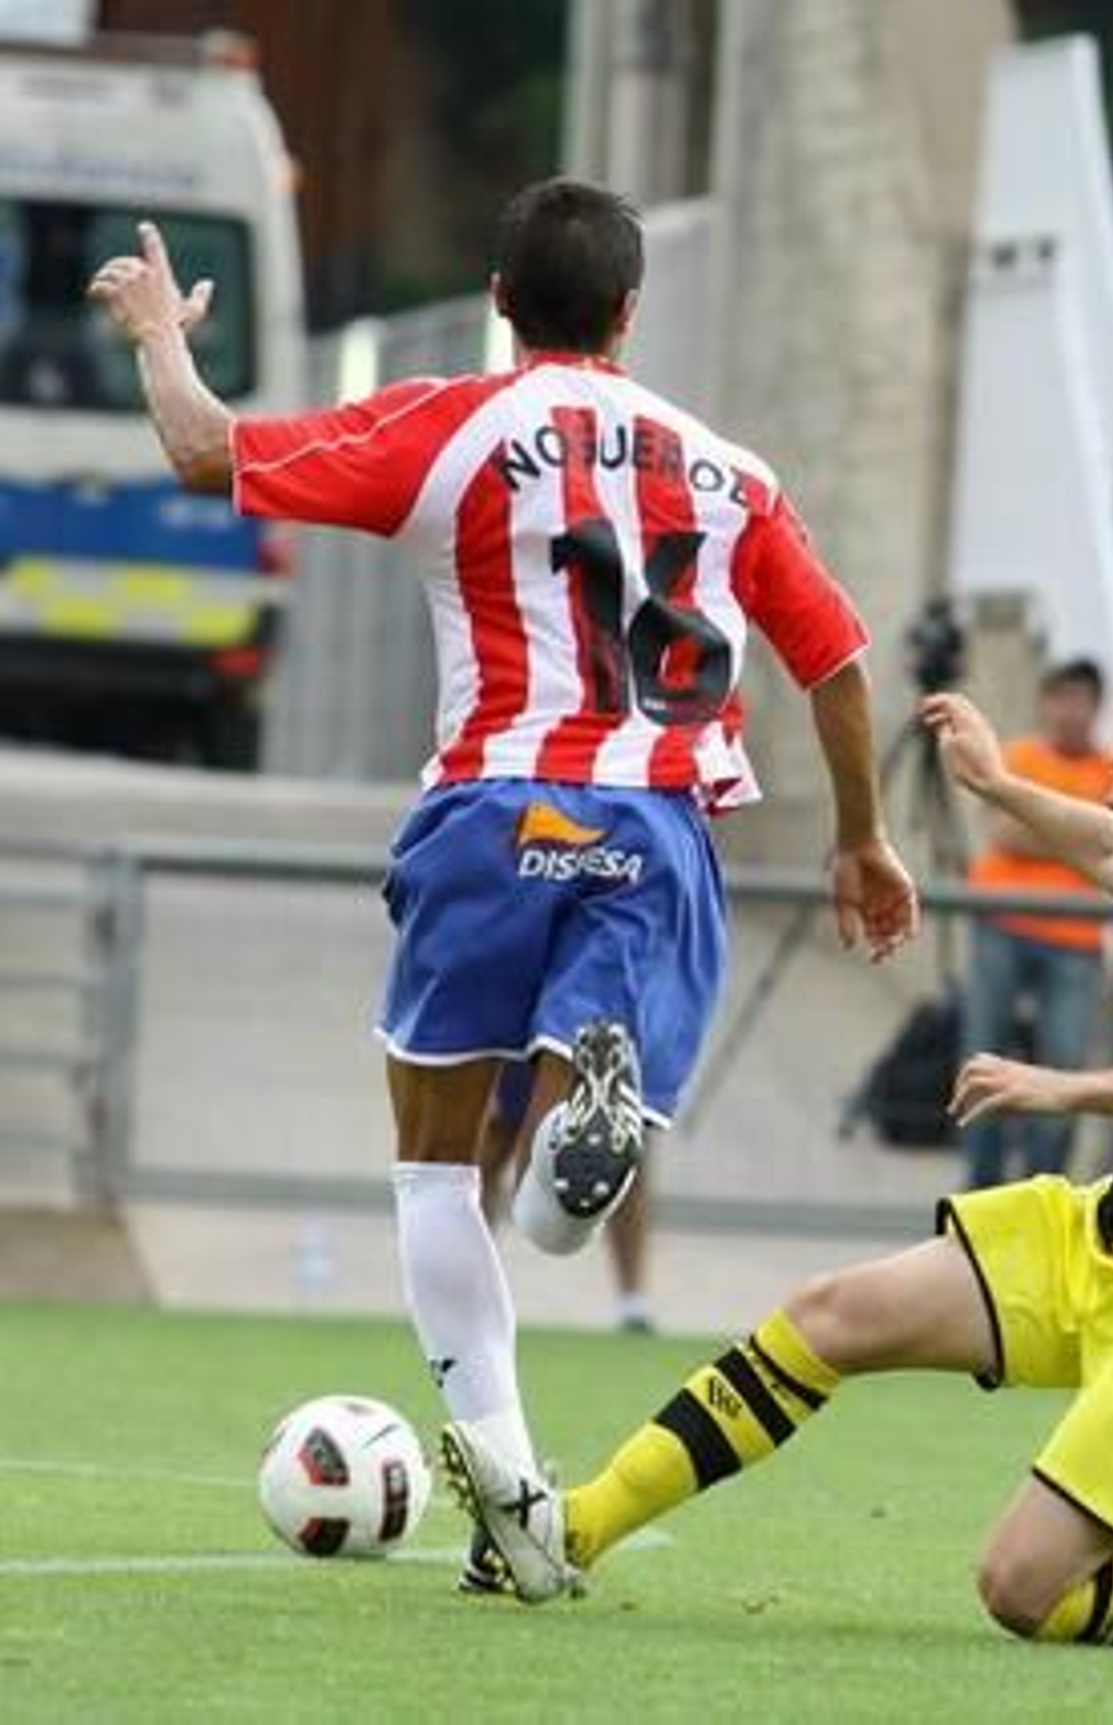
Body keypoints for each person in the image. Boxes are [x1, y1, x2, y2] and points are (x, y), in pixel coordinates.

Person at [87, 181, 920, 1603]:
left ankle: (519, 1494)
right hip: (655, 829)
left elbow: (200, 448)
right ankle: (575, 1159)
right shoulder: (728, 472)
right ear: (632, 311)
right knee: (547, 1197)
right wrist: (863, 835)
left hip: (493, 809)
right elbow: (835, 660)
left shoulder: (450, 423)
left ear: (497, 298)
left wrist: (161, 333)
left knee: (431, 1168)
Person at [505, 667, 1113, 1657]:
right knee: (830, 1317)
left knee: (1023, 1589)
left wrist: (1066, 1088)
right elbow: (1102, 845)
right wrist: (996, 784)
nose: (1107, 791)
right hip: (1110, 1238)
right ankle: (569, 1531)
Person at [962, 658, 1113, 1187]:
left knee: (1066, 1065)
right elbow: (1004, 833)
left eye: (1083, 700)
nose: (1072, 711)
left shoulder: (1112, 771)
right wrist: (1077, 834)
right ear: (1045, 702)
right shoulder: (1019, 756)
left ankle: (1041, 1196)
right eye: (1063, 697)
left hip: (1076, 942)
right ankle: (980, 1193)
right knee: (981, 1057)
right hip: (1002, 925)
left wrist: (1042, 825)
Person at [479, 1059, 654, 1333]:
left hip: (607, 1027)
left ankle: (633, 1302)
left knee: (621, 1150)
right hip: (528, 1030)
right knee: (497, 1134)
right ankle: (471, 1287)